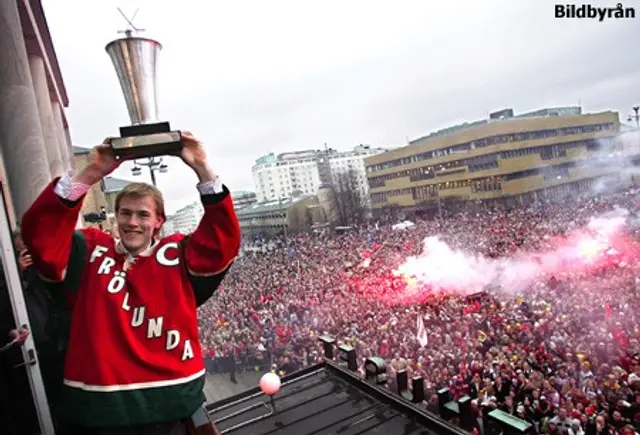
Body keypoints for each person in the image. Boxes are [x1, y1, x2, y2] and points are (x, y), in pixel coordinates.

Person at [21, 132, 240, 434]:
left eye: (142, 214)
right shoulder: (89, 248)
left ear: (159, 221)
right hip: (99, 414)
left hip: (170, 409)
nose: (132, 222)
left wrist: (202, 168)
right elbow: (41, 236)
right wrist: (92, 172)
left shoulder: (176, 253)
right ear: (116, 215)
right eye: (125, 213)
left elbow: (221, 242)